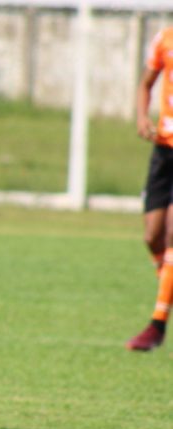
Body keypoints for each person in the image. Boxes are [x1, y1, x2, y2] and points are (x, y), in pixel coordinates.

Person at [126, 25, 173, 351]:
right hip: (164, 150)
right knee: (152, 236)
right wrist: (143, 116)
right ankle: (167, 288)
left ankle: (157, 325)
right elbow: (146, 83)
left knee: (172, 236)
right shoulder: (165, 37)